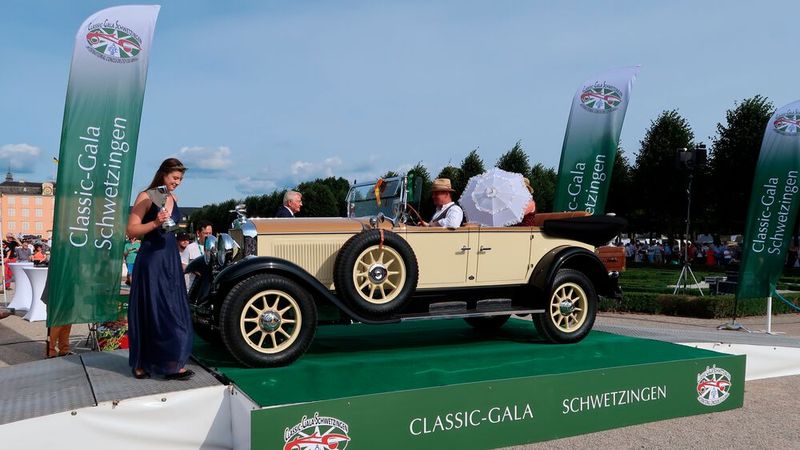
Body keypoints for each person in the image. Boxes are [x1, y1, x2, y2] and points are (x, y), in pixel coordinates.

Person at [125, 158, 193, 380]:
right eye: (175, 177)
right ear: (163, 174)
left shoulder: (173, 198)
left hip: (170, 259)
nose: (178, 182)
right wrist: (154, 223)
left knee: (173, 310)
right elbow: (132, 230)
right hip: (152, 260)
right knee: (151, 310)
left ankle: (171, 361)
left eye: (181, 179)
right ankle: (141, 363)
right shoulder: (147, 196)